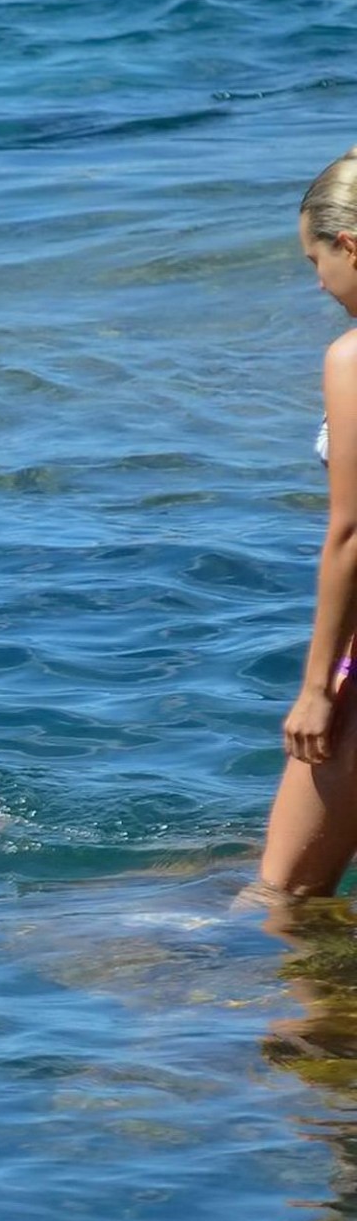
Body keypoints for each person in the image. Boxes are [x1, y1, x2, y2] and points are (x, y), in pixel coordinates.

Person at [263, 145, 357, 896]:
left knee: (285, 897)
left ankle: (310, 1019)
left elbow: (352, 533)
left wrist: (318, 686)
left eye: (313, 262)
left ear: (349, 245)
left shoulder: (353, 359)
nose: (317, 282)